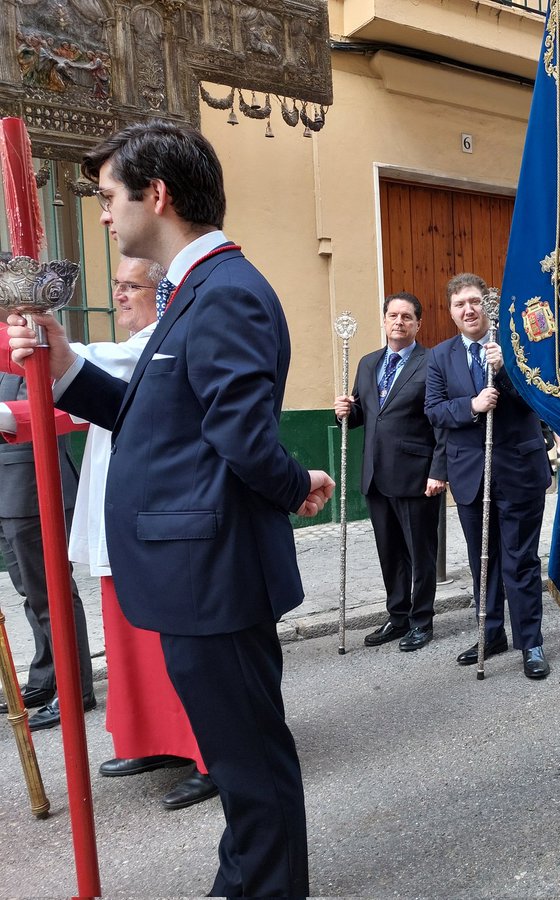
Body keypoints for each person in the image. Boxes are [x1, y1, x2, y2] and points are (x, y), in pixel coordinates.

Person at [7, 120, 333, 897]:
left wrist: (298, 487)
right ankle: (249, 872)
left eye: (112, 196)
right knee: (234, 751)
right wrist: (64, 367)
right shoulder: (194, 292)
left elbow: (244, 438)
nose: (105, 214)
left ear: (158, 195)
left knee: (248, 756)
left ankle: (268, 887)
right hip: (196, 569)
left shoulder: (226, 294)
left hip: (212, 572)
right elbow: (154, 413)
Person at [3, 256, 217, 809]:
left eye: (132, 286)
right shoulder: (123, 352)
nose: (120, 295)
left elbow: (78, 370)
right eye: (116, 286)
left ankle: (209, 753)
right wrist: (9, 416)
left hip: (160, 518)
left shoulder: (152, 346)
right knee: (129, 645)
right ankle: (155, 739)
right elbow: (71, 411)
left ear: (162, 294)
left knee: (174, 649)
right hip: (114, 515)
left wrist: (25, 328)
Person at [425, 272, 552, 679]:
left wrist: (509, 371)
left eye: (475, 301)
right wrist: (472, 405)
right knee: (484, 560)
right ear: (451, 313)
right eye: (460, 304)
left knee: (520, 560)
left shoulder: (515, 348)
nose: (469, 309)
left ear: (487, 306)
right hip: (469, 474)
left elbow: (540, 398)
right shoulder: (439, 357)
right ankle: (491, 632)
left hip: (518, 469)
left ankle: (530, 642)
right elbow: (434, 410)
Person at [335, 292, 446, 651]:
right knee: (390, 553)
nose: (398, 322)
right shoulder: (368, 363)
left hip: (416, 475)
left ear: (418, 324)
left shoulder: (432, 363)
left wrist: (438, 470)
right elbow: (364, 414)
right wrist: (343, 411)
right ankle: (397, 617)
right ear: (384, 320)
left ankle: (421, 621)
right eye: (393, 315)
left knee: (420, 553)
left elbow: (441, 423)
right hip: (376, 474)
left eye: (406, 317)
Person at [0, 346, 94, 730]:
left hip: (32, 483)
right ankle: (45, 676)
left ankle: (75, 689)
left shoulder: (23, 342)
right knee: (29, 590)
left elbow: (39, 412)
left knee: (50, 592)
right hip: (8, 489)